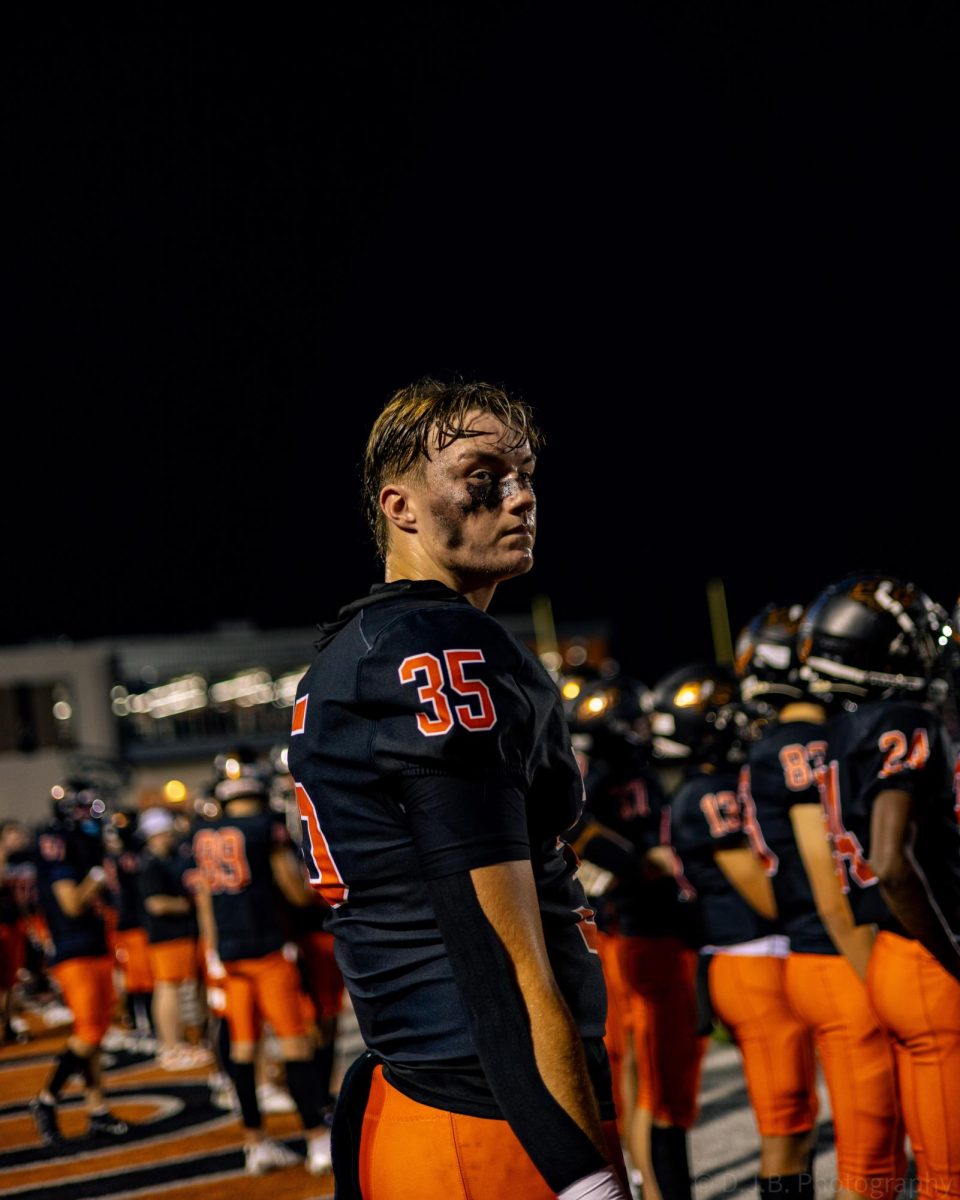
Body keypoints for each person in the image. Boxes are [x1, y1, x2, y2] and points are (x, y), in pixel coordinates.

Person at [288, 377, 629, 1199]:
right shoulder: (439, 642)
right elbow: (502, 953)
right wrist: (584, 1178)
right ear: (401, 507)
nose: (519, 497)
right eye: (482, 476)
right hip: (494, 1112)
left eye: (524, 476)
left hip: (423, 1094)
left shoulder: (359, 641)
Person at [798, 573, 960, 1200]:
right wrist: (953, 954)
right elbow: (891, 861)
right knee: (948, 1175)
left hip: (891, 951)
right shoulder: (905, 721)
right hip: (926, 951)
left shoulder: (841, 733)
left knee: (928, 1158)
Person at [735, 603, 904, 1200]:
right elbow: (829, 876)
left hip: (809, 952)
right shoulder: (811, 744)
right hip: (841, 953)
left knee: (860, 1147)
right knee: (872, 1156)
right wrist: (876, 977)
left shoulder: (768, 746)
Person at [650, 663, 819, 1200]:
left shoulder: (709, 786)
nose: (747, 725)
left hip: (750, 958)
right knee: (784, 1121)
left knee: (797, 1120)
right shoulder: (710, 792)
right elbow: (762, 892)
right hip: (751, 958)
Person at [566, 674, 705, 1200]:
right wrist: (645, 863)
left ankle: (643, 1182)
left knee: (631, 1071)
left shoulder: (595, 767)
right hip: (640, 930)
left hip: (619, 930)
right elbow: (578, 830)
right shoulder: (607, 772)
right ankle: (652, 1185)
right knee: (654, 1077)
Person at [192, 759, 333, 1177]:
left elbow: (205, 897)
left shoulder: (202, 835)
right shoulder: (262, 829)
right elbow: (294, 889)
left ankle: (255, 1143)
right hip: (268, 951)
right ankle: (316, 1139)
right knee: (295, 1045)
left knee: (242, 1049)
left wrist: (213, 949)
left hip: (229, 954)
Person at [29, 781, 130, 1146]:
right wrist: (98, 877)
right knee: (89, 1033)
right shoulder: (61, 851)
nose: (91, 817)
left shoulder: (80, 846)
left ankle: (97, 1109)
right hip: (75, 952)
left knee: (97, 1033)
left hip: (93, 947)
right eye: (84, 810)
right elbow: (71, 903)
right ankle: (46, 1098)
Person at [137, 806, 212, 1070]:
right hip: (166, 936)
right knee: (168, 987)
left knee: (179, 988)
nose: (169, 837)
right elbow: (156, 904)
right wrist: (191, 904)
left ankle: (179, 1042)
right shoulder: (150, 863)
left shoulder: (166, 859)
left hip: (176, 935)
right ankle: (170, 1046)